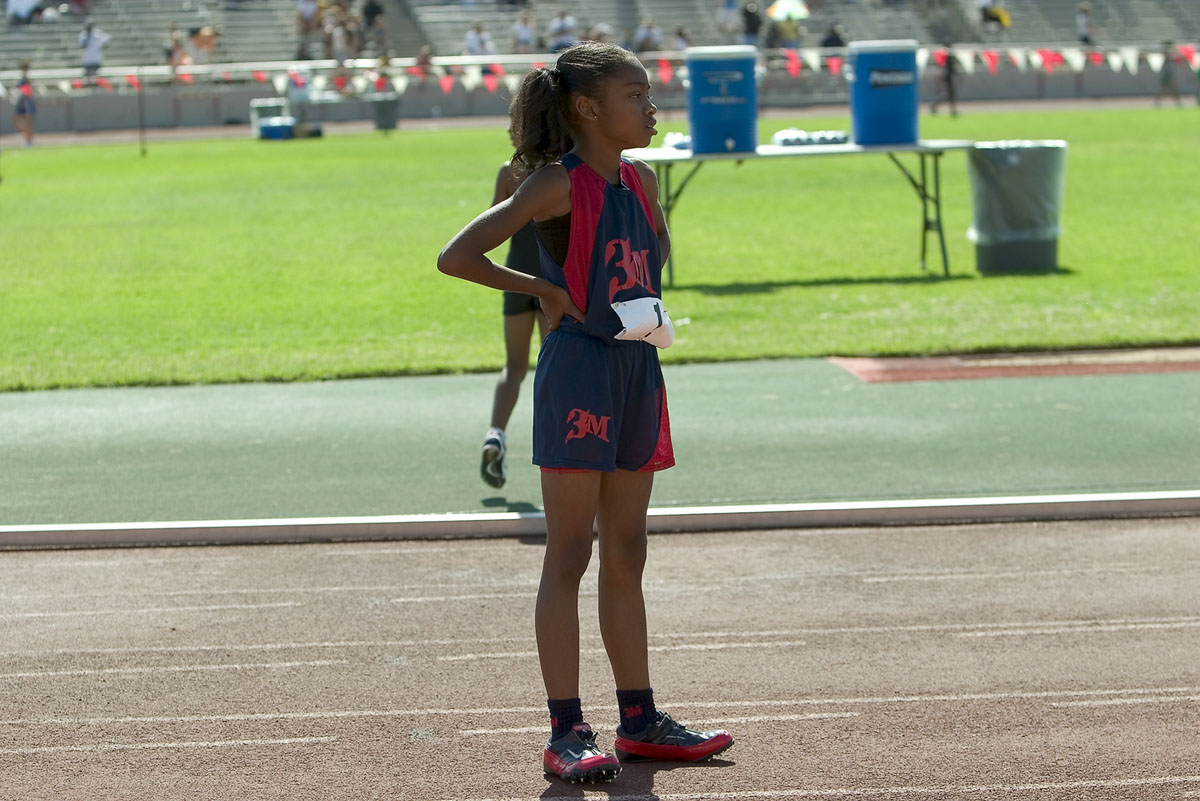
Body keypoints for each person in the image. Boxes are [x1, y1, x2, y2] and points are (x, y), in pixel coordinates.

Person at [437, 41, 734, 785]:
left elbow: (650, 254)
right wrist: (543, 290)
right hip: (577, 373)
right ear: (587, 108)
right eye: (636, 96)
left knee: (627, 549)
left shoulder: (643, 180)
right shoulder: (553, 184)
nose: (652, 107)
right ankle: (566, 730)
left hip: (636, 368)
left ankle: (641, 721)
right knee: (570, 552)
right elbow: (458, 256)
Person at [478, 133, 550, 490]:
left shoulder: (509, 173)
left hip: (515, 277)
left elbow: (493, 227)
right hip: (552, 282)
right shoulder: (560, 173)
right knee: (554, 366)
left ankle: (496, 433)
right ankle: (557, 445)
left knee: (514, 366)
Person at [929, 46, 958, 117]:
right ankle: (934, 106)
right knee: (945, 95)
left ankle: (952, 110)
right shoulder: (945, 58)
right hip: (945, 80)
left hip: (949, 79)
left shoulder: (949, 58)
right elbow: (943, 69)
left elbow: (952, 70)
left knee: (950, 95)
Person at [1155, 40, 1185, 108]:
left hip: (1171, 75)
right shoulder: (1166, 56)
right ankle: (1158, 103)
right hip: (1167, 75)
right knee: (1164, 90)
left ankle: (1178, 104)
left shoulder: (1172, 56)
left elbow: (1178, 59)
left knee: (1174, 90)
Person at [13, 61, 36, 147]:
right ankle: (27, 139)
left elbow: (27, 92)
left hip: (26, 102)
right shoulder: (21, 79)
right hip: (21, 102)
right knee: (19, 123)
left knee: (27, 123)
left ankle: (28, 140)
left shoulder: (26, 80)